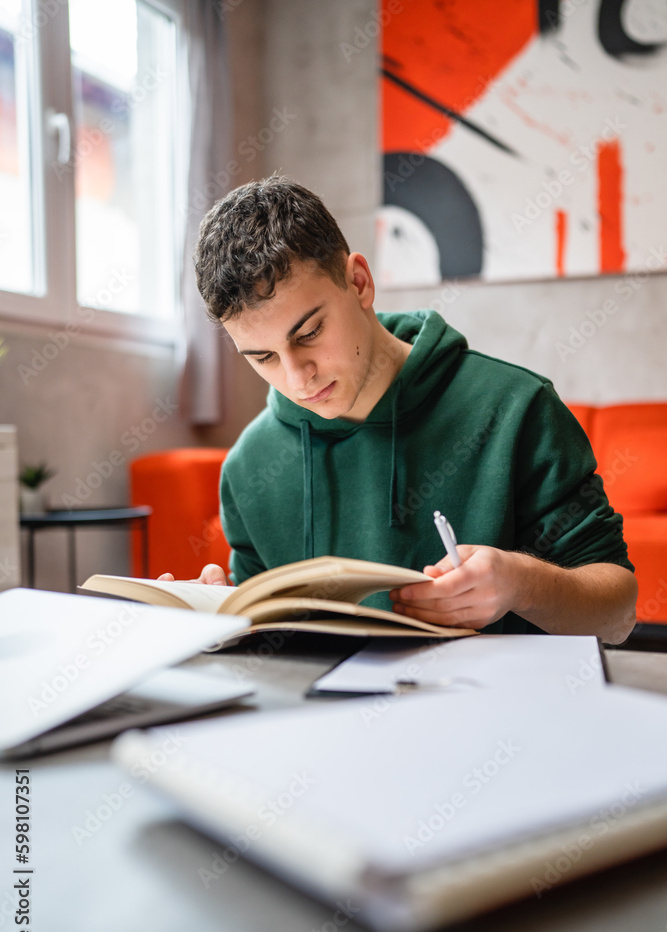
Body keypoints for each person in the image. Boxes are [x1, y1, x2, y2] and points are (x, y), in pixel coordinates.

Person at [161, 175, 637, 643]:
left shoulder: (517, 408)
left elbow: (618, 615)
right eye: (262, 358)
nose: (296, 377)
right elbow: (265, 635)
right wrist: (217, 619)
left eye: (308, 334)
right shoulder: (249, 466)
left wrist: (523, 584)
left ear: (360, 283)